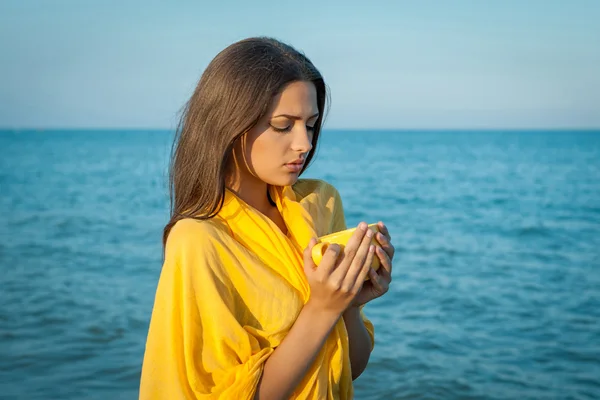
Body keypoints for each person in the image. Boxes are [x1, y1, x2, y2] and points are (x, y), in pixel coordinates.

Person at [139, 37, 395, 400]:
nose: (304, 143)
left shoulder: (318, 203)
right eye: (282, 125)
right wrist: (322, 307)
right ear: (229, 125)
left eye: (310, 124)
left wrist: (350, 303)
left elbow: (350, 368)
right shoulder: (200, 240)